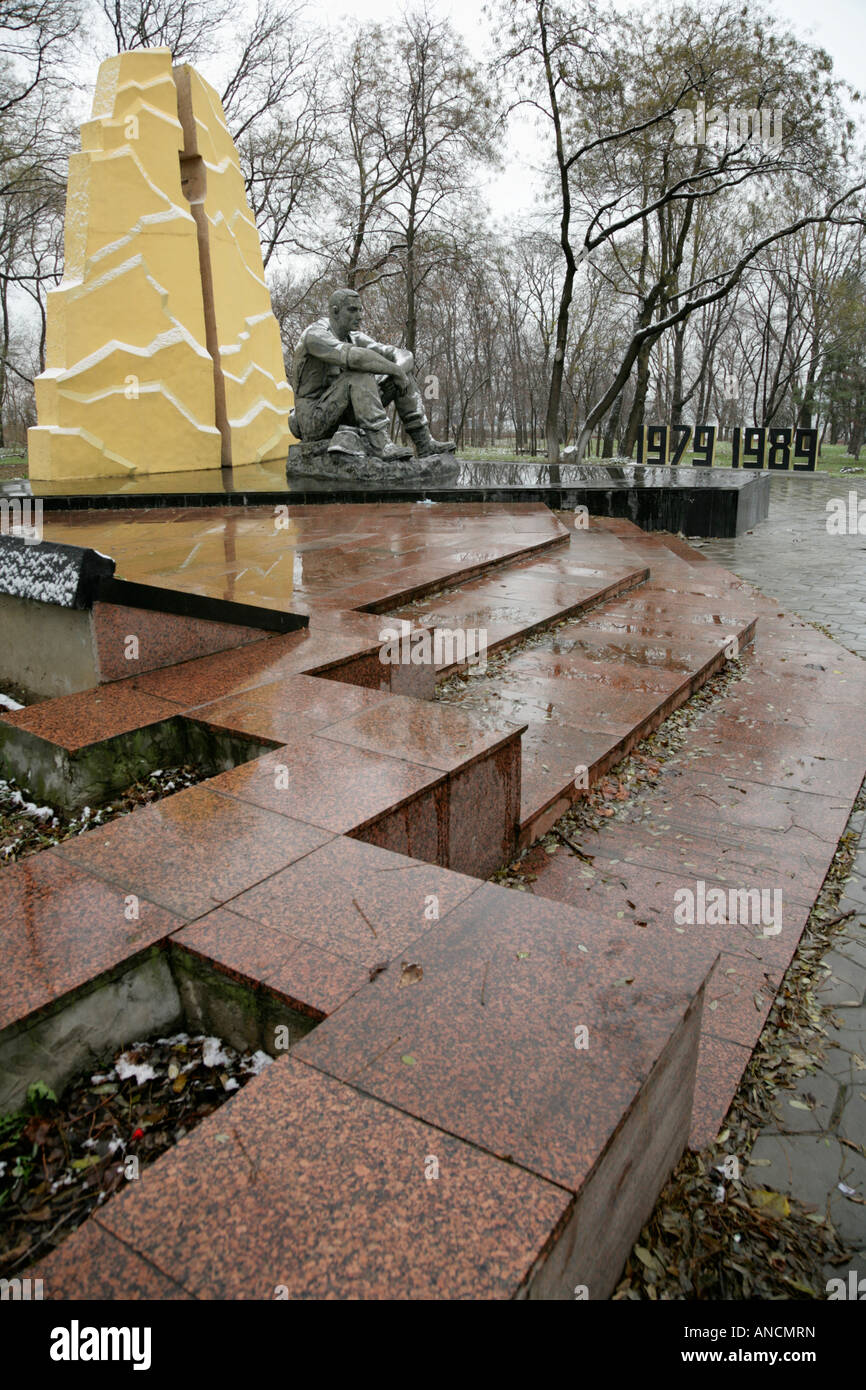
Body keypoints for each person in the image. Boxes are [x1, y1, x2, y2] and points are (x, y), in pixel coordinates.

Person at [290, 288, 455, 460]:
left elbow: (403, 354)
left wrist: (398, 372)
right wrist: (395, 370)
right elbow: (356, 358)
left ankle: (424, 443)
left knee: (403, 376)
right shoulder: (315, 335)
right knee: (360, 374)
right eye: (353, 310)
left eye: (361, 310)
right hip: (313, 420)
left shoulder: (353, 336)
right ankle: (380, 445)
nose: (360, 316)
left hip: (342, 415)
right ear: (335, 311)